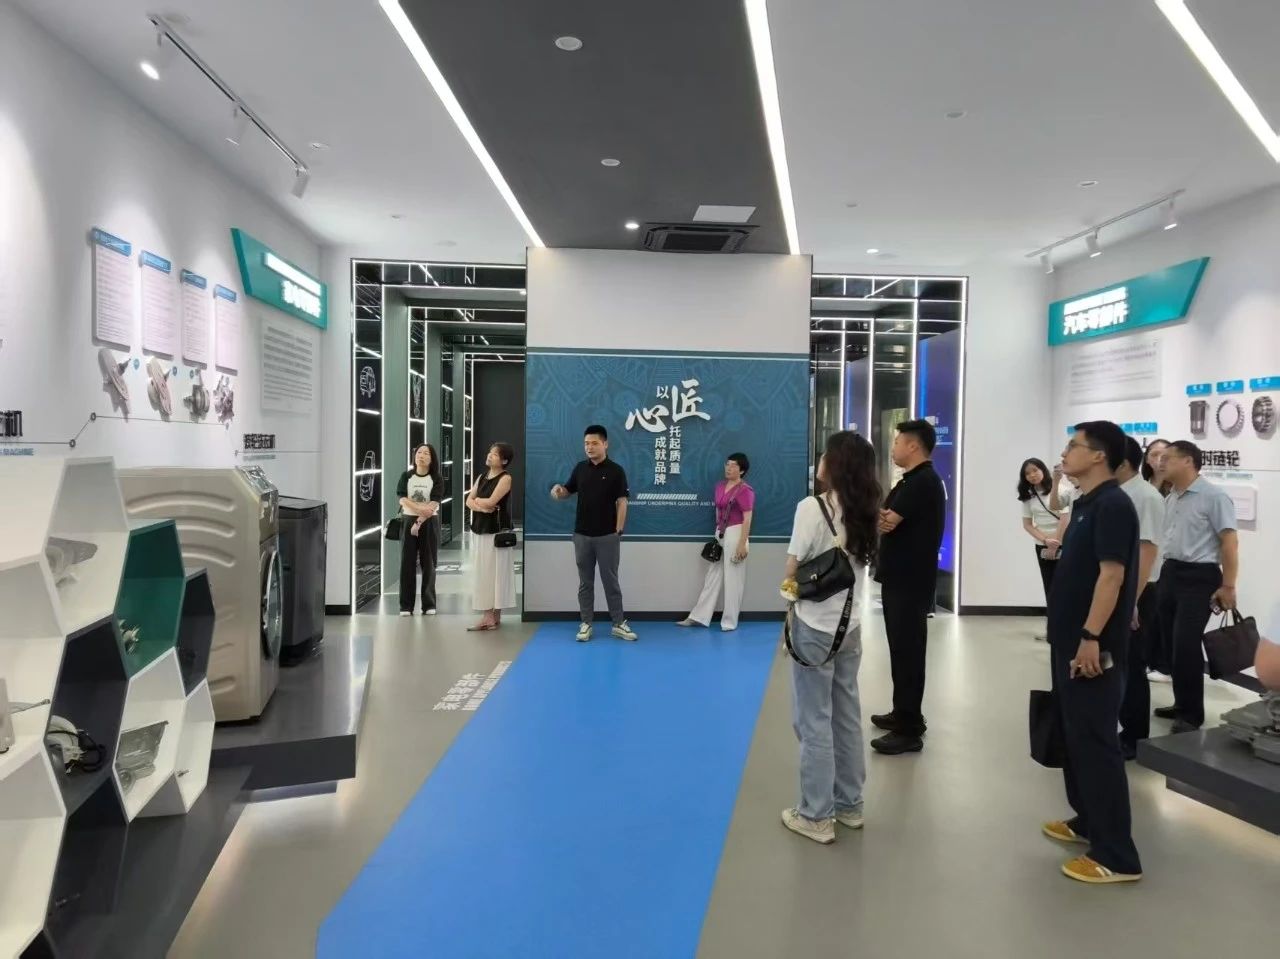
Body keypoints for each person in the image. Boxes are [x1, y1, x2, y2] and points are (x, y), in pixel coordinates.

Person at [1041, 420, 1143, 885]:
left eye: (1073, 446)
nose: (1065, 453)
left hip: (1091, 646)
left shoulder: (1114, 505)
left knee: (1097, 742)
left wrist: (1090, 636)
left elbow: (1112, 577)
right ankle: (1088, 820)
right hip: (1068, 641)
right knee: (1075, 735)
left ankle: (1117, 855)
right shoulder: (1086, 503)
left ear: (1099, 455)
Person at [779, 431, 880, 844]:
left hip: (815, 626)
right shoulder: (867, 509)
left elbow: (792, 569)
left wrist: (788, 603)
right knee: (846, 716)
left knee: (813, 720)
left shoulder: (812, 507)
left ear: (835, 464)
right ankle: (850, 805)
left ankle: (815, 815)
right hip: (850, 626)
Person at [871, 419, 945, 755]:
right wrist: (885, 519)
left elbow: (888, 521)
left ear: (914, 445)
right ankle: (903, 712)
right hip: (900, 578)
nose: (894, 447)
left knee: (909, 651)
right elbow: (886, 519)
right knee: (901, 649)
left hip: (909, 581)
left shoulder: (923, 482)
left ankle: (909, 728)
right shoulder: (911, 480)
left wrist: (886, 519)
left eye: (897, 441)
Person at [1155, 440, 1238, 732]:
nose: (1161, 463)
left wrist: (1228, 586)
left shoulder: (1214, 497)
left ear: (1188, 461)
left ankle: (1191, 715)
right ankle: (1182, 703)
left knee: (1185, 645)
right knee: (1169, 643)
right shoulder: (1172, 496)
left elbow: (1229, 542)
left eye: (1168, 458)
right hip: (1171, 572)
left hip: (1199, 577)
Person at [551, 425, 637, 643]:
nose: (589, 447)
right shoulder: (580, 468)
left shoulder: (616, 471)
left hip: (607, 536)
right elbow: (567, 491)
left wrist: (618, 531)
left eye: (594, 443)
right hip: (582, 536)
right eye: (586, 443)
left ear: (605, 444)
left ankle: (618, 624)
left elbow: (622, 502)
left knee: (611, 582)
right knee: (585, 583)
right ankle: (586, 623)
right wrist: (559, 491)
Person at [1116, 436, 1165, 760]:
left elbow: (1146, 552)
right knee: (1119, 662)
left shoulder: (1145, 497)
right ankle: (1122, 726)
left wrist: (1132, 600)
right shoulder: (1117, 494)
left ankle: (1135, 737)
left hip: (1139, 590)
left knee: (1132, 664)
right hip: (1121, 587)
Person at [679, 453, 755, 632]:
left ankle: (729, 622)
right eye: (727, 464)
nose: (729, 468)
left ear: (742, 470)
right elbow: (718, 511)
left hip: (737, 533)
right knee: (712, 576)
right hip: (720, 533)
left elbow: (748, 518)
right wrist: (717, 532)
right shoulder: (719, 486)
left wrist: (742, 543)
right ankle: (699, 617)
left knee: (734, 579)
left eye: (734, 465)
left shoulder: (746, 490)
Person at [466, 443, 517, 632]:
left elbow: (492, 501)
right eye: (490, 452)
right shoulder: (481, 477)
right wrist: (481, 506)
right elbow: (468, 501)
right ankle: (489, 616)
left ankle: (493, 616)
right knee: (484, 573)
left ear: (504, 460)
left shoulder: (505, 478)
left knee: (497, 573)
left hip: (497, 532)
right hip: (481, 529)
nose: (489, 455)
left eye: (495, 454)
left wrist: (478, 502)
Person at [1143, 438, 1175, 681]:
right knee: (1147, 615)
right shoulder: (1143, 488)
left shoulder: (1178, 489)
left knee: (1165, 615)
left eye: (1164, 455)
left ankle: (1165, 665)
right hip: (1147, 561)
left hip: (1171, 560)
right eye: (1154, 454)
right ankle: (1148, 659)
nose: (1159, 460)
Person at [397, 444, 442, 616]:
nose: (421, 455)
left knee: (429, 562)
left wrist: (421, 518)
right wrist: (418, 509)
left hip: (429, 522)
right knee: (406, 563)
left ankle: (429, 604)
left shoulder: (436, 478)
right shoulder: (406, 476)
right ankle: (406, 606)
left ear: (432, 458)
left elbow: (434, 502)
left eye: (425, 453)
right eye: (418, 452)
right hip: (408, 520)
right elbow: (402, 498)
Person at [1018, 457, 1067, 609]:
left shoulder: (1060, 489)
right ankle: (1052, 622)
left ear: (1043, 470)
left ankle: (1066, 622)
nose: (1032, 475)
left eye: (1035, 470)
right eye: (1027, 473)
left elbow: (1065, 519)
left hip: (1064, 544)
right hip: (1042, 546)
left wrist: (1056, 543)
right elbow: (1027, 525)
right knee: (1049, 585)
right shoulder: (1028, 497)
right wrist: (1046, 541)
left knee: (1065, 585)